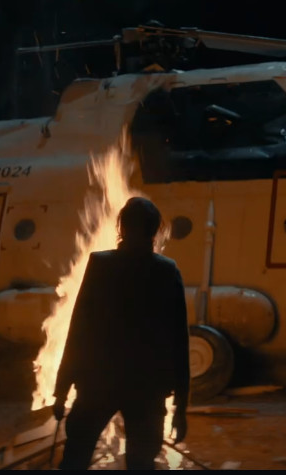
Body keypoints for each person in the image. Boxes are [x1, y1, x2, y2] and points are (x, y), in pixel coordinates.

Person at [52, 196, 190, 470]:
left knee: (76, 458)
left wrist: (61, 390)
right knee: (141, 462)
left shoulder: (100, 264)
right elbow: (179, 341)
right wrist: (181, 408)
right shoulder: (166, 270)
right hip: (147, 388)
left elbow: (80, 329)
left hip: (97, 382)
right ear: (155, 230)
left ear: (122, 227)